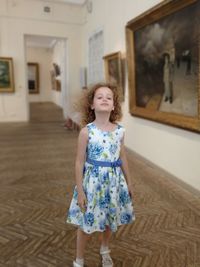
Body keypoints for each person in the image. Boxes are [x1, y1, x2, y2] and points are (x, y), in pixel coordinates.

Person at [66, 82, 135, 267]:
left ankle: (105, 249)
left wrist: (129, 182)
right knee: (86, 225)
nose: (104, 99)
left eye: (109, 97)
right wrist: (80, 191)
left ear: (113, 105)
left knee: (108, 220)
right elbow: (79, 162)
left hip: (113, 183)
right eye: (99, 97)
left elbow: (122, 157)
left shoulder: (119, 131)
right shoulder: (86, 132)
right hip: (92, 184)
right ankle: (79, 260)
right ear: (92, 104)